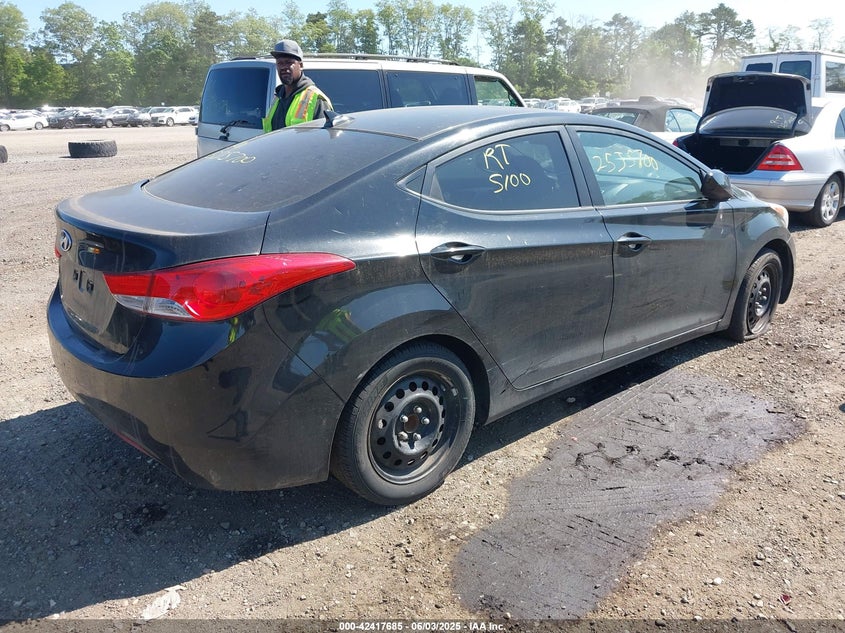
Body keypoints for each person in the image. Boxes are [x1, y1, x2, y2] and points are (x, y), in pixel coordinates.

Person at [262, 39, 333, 132]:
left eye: (289, 62)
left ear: (301, 65)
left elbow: (323, 137)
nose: (283, 67)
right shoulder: (278, 98)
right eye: (280, 63)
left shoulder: (316, 99)